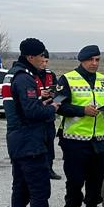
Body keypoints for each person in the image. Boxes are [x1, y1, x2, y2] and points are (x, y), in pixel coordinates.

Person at [3, 38, 60, 207]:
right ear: (30, 57)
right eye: (40, 56)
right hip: (30, 142)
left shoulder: (13, 74)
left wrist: (39, 102)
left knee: (20, 187)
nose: (43, 59)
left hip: (17, 140)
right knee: (38, 190)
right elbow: (31, 112)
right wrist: (51, 108)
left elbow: (23, 107)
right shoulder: (24, 78)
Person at [56, 44, 104, 207]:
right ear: (82, 60)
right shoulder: (67, 79)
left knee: (95, 181)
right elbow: (59, 106)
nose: (94, 63)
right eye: (90, 60)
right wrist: (82, 111)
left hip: (98, 140)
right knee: (75, 182)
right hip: (74, 142)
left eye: (97, 59)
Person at [38, 49, 61, 180]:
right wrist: (40, 95)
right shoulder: (29, 75)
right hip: (36, 115)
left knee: (49, 144)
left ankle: (49, 169)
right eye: (42, 61)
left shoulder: (50, 75)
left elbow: (58, 93)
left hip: (49, 116)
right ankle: (39, 170)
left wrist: (54, 99)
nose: (44, 64)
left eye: (46, 61)